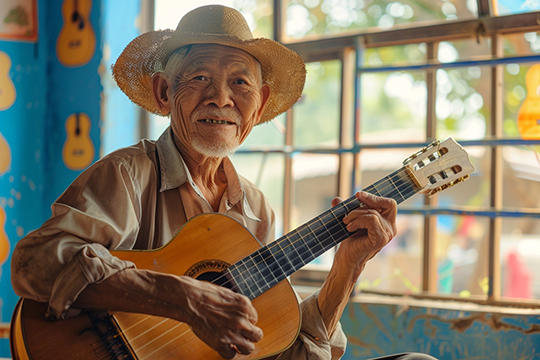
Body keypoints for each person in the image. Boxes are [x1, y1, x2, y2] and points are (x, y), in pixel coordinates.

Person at [11, 5, 437, 360]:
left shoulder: (254, 208)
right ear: (163, 92)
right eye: (199, 78)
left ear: (261, 104)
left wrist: (349, 265)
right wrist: (183, 298)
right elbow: (36, 262)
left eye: (240, 82)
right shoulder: (128, 174)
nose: (221, 97)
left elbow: (282, 351)